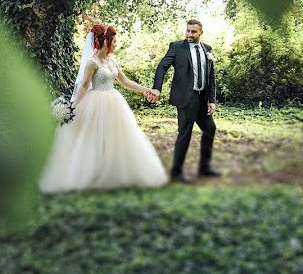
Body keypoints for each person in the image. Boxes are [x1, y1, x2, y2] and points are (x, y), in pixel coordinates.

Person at [38, 24, 166, 193]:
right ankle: (93, 173)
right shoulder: (92, 62)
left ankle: (113, 172)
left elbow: (125, 82)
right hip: (95, 101)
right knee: (94, 137)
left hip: (114, 101)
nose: (115, 44)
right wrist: (73, 106)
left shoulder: (112, 60)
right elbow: (84, 86)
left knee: (115, 137)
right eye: (114, 41)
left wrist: (145, 90)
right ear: (106, 41)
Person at [152, 19, 220, 184]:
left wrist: (211, 100)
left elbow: (211, 76)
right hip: (185, 99)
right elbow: (162, 67)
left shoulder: (207, 49)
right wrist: (157, 88)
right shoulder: (177, 47)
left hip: (202, 99)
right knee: (185, 134)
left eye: (193, 32)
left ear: (200, 33)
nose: (189, 34)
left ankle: (204, 168)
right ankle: (176, 172)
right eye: (188, 31)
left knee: (210, 129)